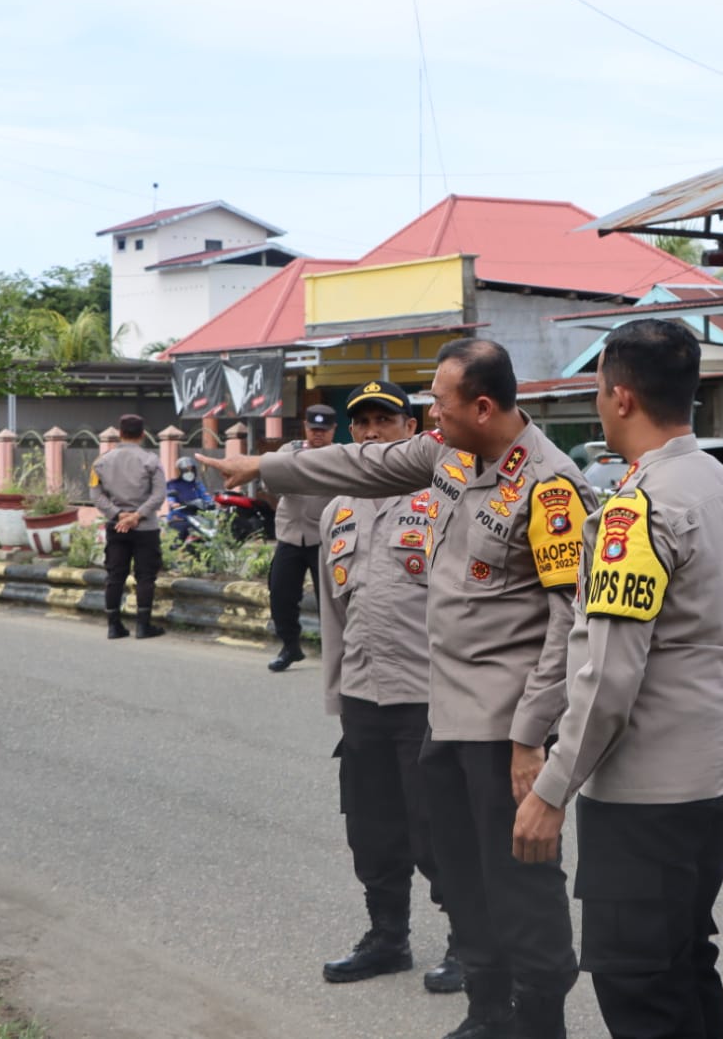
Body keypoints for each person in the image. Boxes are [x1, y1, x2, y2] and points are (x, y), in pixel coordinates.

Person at [198, 340, 594, 1039]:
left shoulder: (550, 485)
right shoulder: (448, 454)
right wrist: (263, 464)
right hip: (444, 713)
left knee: (520, 883)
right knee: (462, 875)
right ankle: (487, 1011)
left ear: (481, 404)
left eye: (439, 401)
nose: (429, 412)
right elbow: (360, 462)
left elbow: (569, 623)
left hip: (505, 729)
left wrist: (532, 736)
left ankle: (539, 1022)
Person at [513, 319, 723, 1039]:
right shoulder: (721, 484)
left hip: (652, 789)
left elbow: (608, 675)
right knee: (682, 957)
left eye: (596, 390)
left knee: (636, 981)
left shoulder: (639, 506)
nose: (596, 403)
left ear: (619, 397)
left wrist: (552, 788)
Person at [317, 381, 461, 995]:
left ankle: (467, 941)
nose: (372, 433)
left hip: (428, 695)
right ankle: (387, 937)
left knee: (439, 827)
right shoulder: (337, 510)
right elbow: (331, 613)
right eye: (363, 423)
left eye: (385, 420)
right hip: (362, 694)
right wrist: (336, 693)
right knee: (371, 827)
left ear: (411, 429)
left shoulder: (444, 500)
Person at [265, 403, 337, 672]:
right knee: (281, 593)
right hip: (290, 535)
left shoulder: (340, 456)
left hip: (324, 538)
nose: (318, 434)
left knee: (329, 599)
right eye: (313, 428)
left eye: (324, 429)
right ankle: (290, 646)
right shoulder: (288, 451)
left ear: (333, 430)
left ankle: (334, 652)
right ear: (305, 427)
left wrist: (295, 478)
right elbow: (269, 481)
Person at [89, 413, 166, 640]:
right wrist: (137, 515)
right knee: (145, 576)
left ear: (119, 434)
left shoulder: (100, 462)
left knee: (115, 575)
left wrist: (118, 514)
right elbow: (159, 495)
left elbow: (96, 495)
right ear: (143, 435)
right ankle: (143, 626)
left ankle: (114, 626)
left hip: (116, 527)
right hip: (146, 529)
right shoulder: (151, 460)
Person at [165, 455, 215, 543]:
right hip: (179, 517)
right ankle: (177, 550)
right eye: (186, 470)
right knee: (185, 529)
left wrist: (211, 502)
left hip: (197, 517)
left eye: (191, 469)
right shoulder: (172, 484)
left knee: (208, 532)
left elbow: (205, 496)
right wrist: (173, 504)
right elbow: (171, 497)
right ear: (179, 471)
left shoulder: (197, 484)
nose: (189, 472)